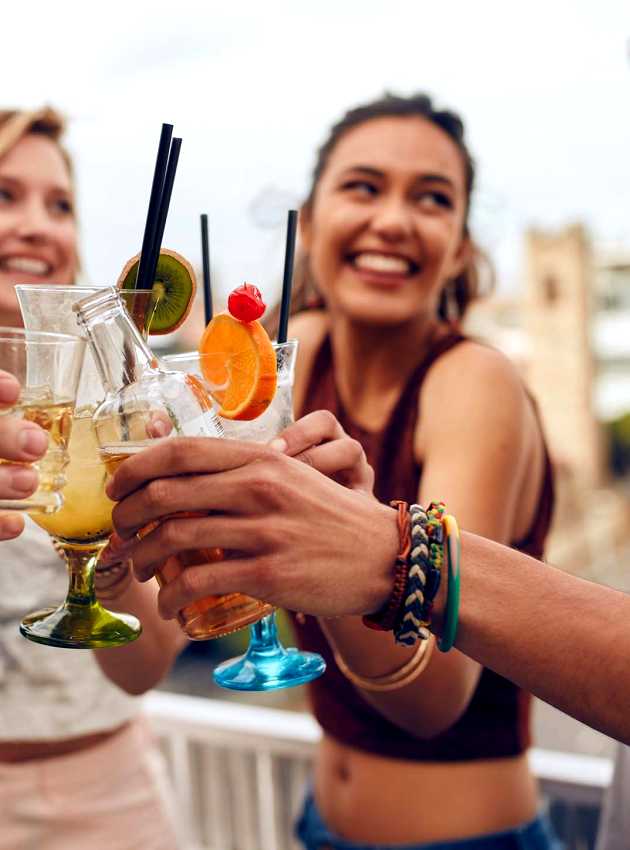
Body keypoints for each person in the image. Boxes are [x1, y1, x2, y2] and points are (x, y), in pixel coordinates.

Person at [103, 92, 561, 850]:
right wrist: (107, 549)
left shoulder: (474, 383)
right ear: (308, 224)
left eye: (433, 198)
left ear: (460, 247)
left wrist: (343, 537)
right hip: (316, 829)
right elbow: (144, 664)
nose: (392, 218)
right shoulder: (283, 361)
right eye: (363, 185)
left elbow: (433, 699)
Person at [0, 107, 183, 850]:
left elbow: (142, 671)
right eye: (4, 195)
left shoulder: (116, 398)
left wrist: (114, 568)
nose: (37, 224)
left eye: (60, 203)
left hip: (106, 801)